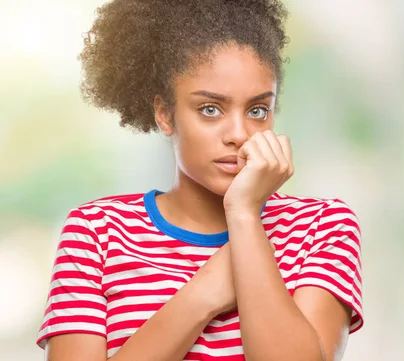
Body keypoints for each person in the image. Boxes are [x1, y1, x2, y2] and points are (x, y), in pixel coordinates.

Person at [37, 1, 363, 360]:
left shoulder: (322, 227)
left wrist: (243, 215)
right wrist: (204, 293)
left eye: (257, 110)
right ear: (165, 114)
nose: (239, 134)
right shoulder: (96, 233)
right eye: (210, 109)